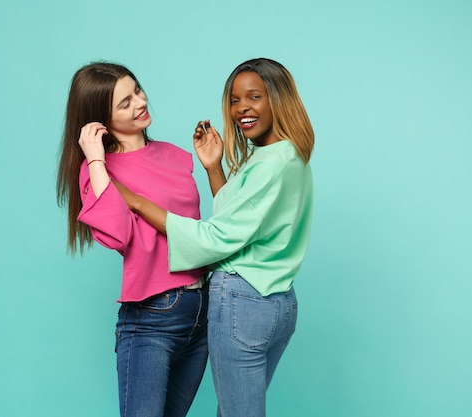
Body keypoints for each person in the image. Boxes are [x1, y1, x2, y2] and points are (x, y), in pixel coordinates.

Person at [113, 58, 314, 417]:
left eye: (254, 97)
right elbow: (241, 222)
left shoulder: (270, 163)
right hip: (280, 303)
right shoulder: (286, 154)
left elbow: (215, 237)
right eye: (235, 100)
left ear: (279, 99)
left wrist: (137, 201)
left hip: (245, 302)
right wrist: (214, 168)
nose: (241, 109)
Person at [56, 62, 208, 417]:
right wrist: (95, 159)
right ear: (100, 121)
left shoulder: (174, 155)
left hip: (201, 311)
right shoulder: (97, 172)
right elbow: (119, 235)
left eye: (137, 91)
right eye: (124, 103)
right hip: (152, 317)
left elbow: (199, 234)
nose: (140, 102)